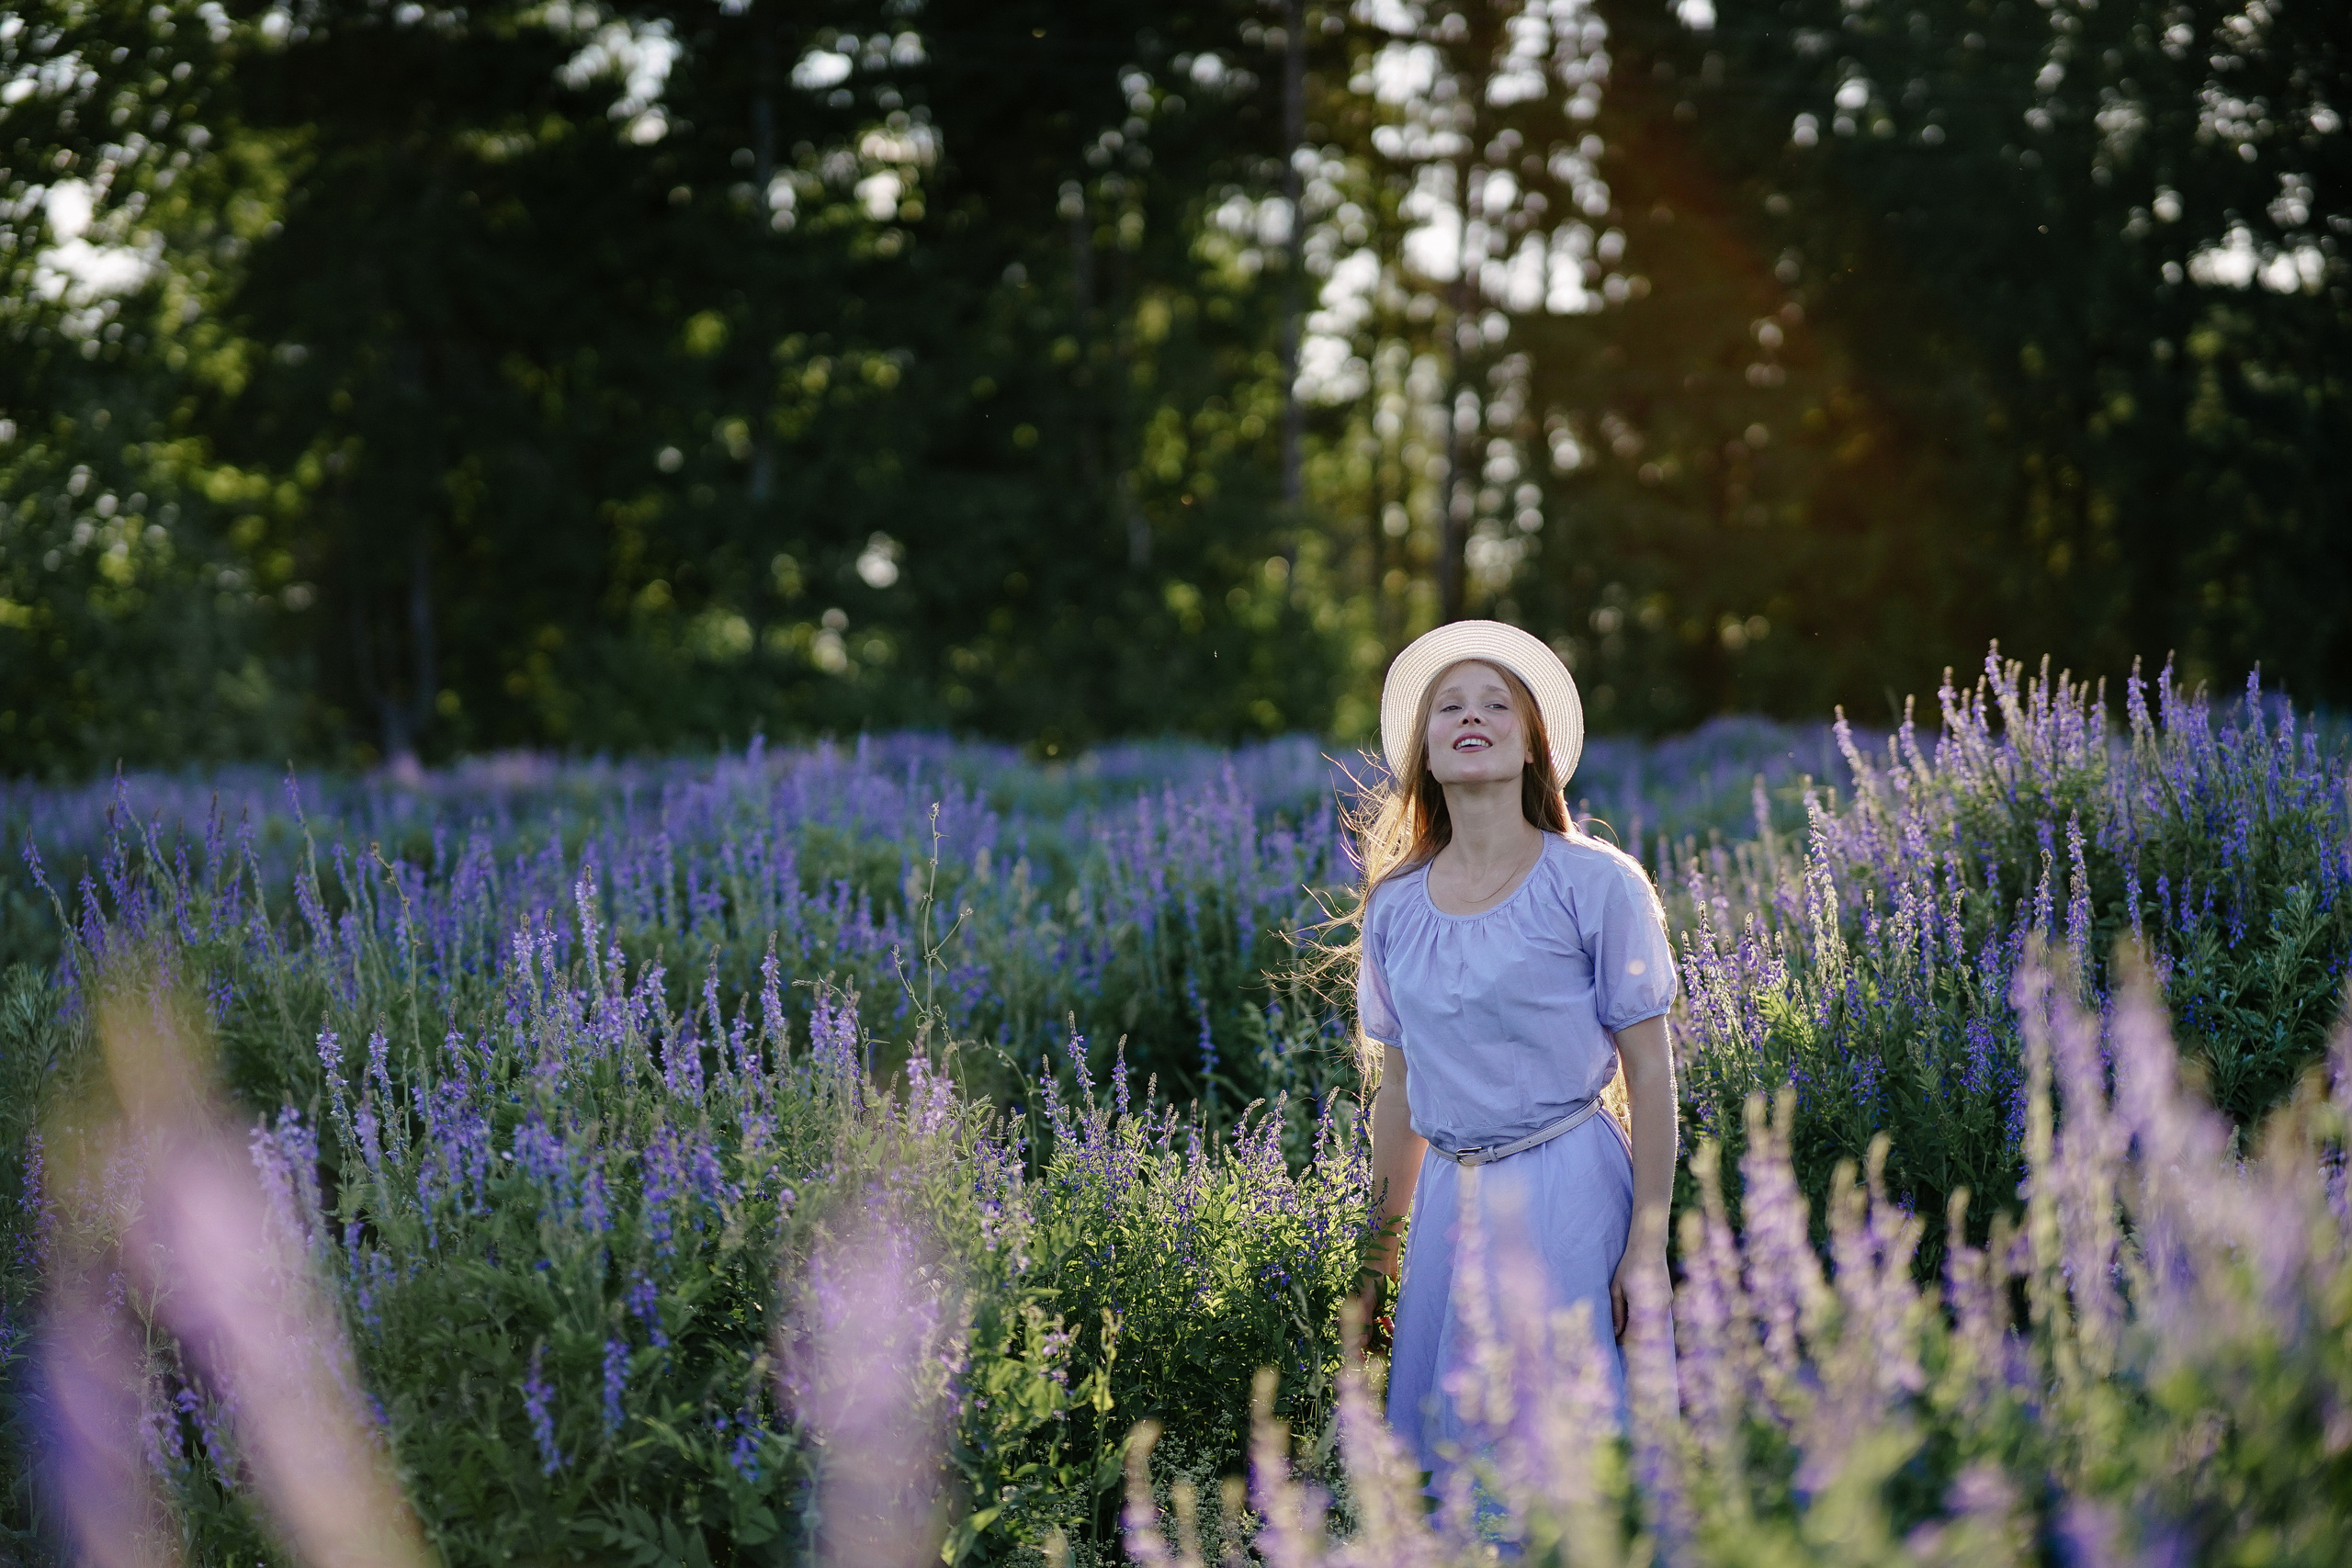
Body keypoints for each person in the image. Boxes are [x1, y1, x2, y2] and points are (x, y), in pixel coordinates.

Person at [1351, 620, 1677, 1477]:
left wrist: (1647, 1247)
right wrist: (1375, 1257)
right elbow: (1399, 1091)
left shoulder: (1597, 883)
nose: (1472, 715)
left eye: (1497, 703)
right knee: (1457, 1478)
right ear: (1423, 747)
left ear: (1533, 741)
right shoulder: (1395, 907)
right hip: (1448, 1219)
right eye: (1449, 704)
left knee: (1577, 1475)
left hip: (1569, 1192)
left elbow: (1650, 1073)